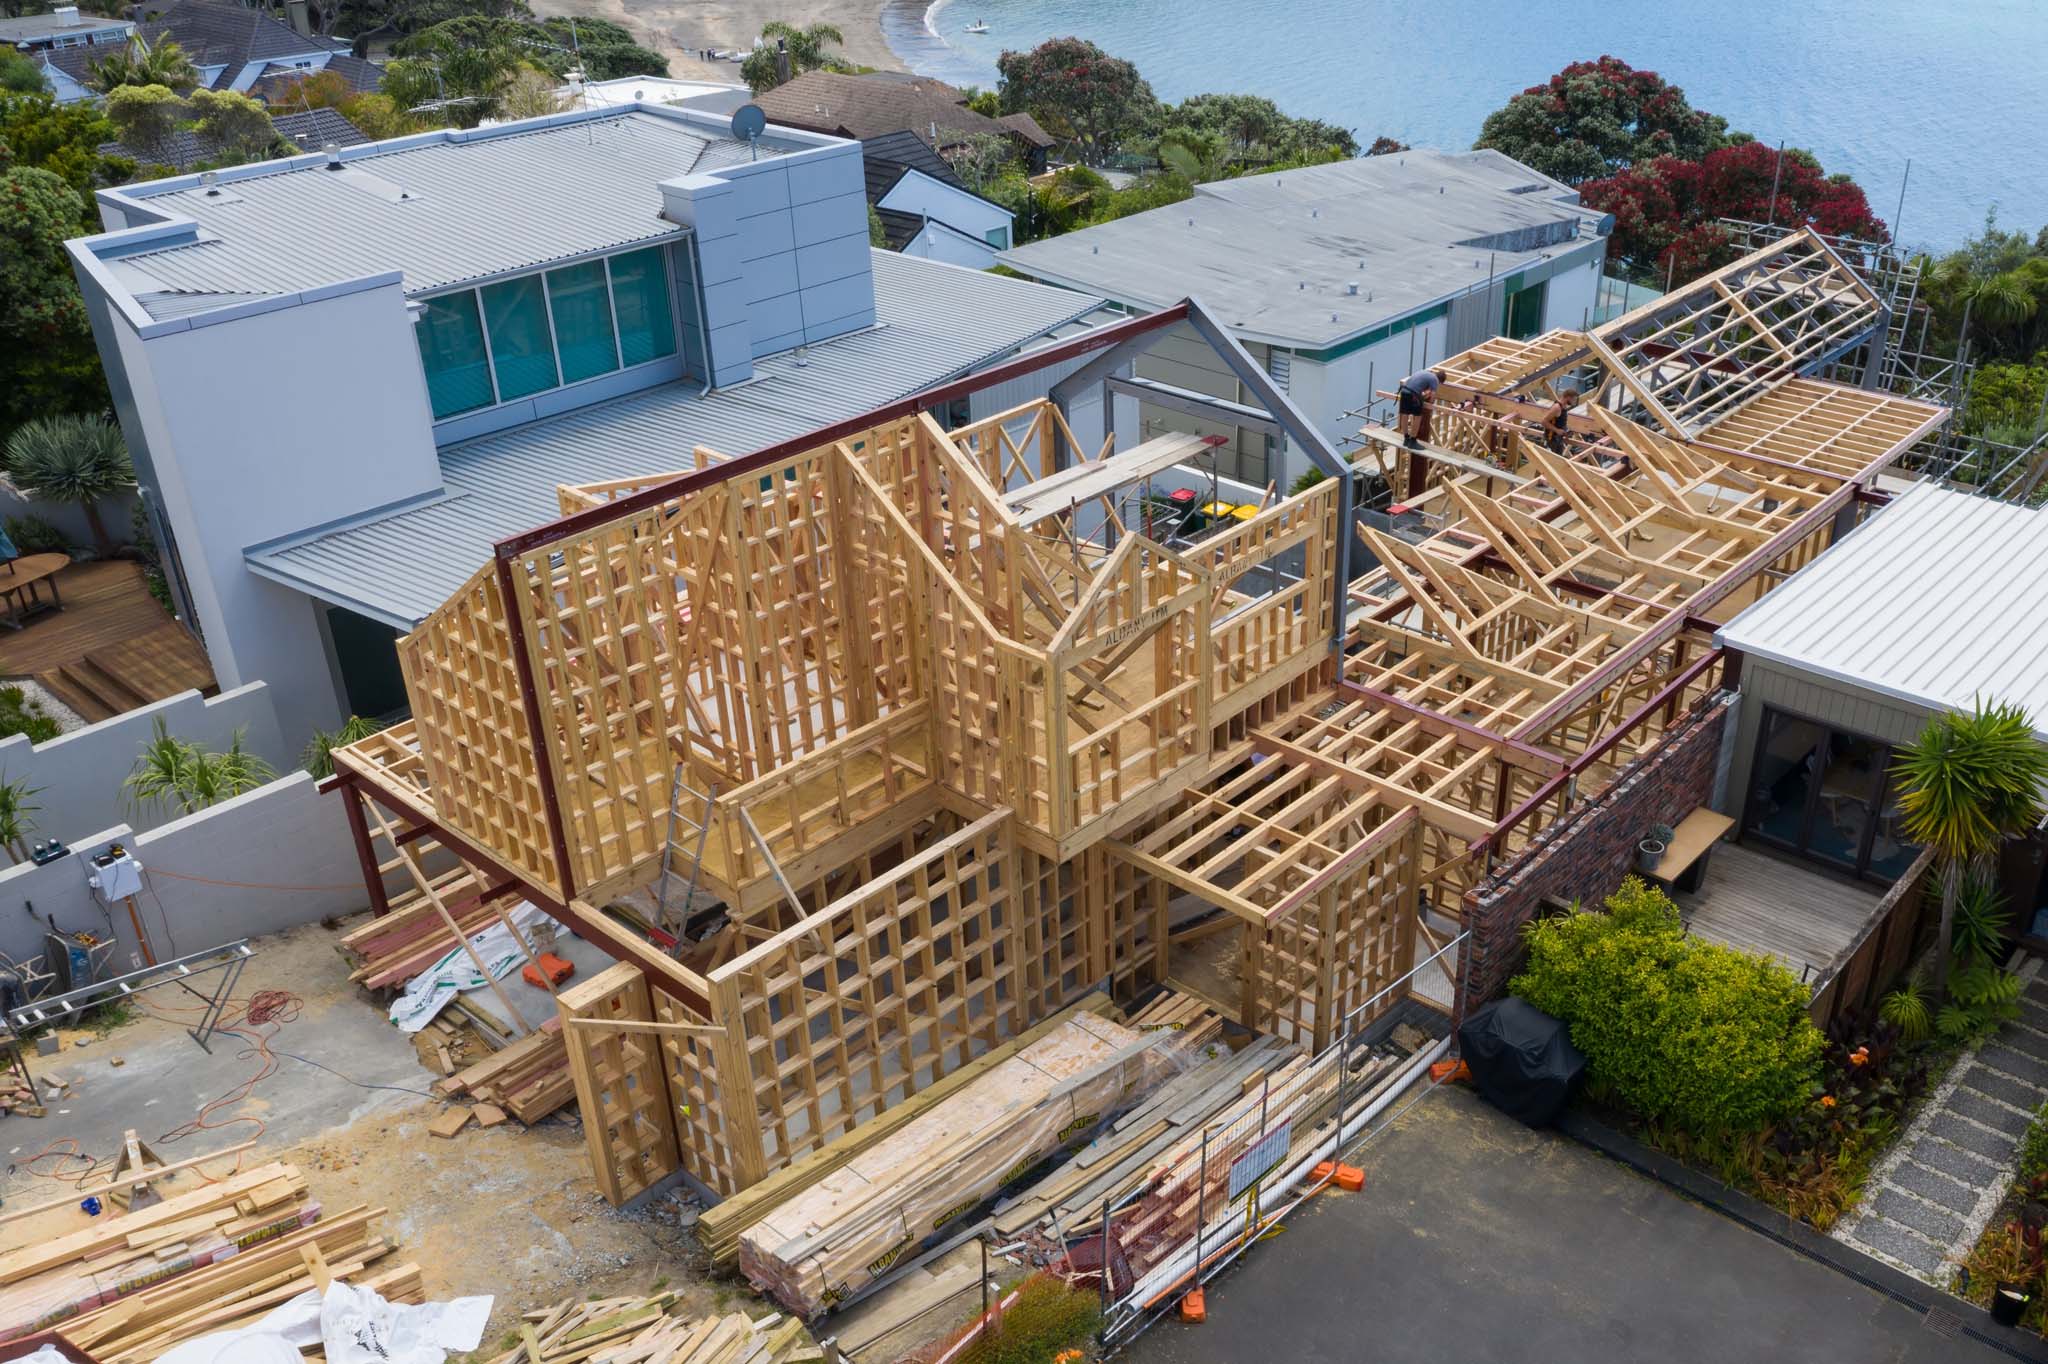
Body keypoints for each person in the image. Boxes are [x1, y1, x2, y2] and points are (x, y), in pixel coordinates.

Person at [1396, 368, 1444, 449]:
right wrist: (1430, 403)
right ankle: (1413, 441)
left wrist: (1423, 395)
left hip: (1404, 391)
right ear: (1440, 381)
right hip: (1413, 395)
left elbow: (1419, 386)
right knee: (1417, 417)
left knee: (1405, 415)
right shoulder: (1435, 380)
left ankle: (1406, 439)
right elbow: (1433, 393)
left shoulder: (1424, 373)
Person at [1539, 385, 1580, 454]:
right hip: (1551, 440)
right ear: (1568, 397)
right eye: (1573, 400)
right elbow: (1543, 422)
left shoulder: (1564, 407)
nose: (1574, 402)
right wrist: (1557, 430)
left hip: (1558, 439)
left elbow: (1559, 423)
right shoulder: (1557, 408)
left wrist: (1565, 431)